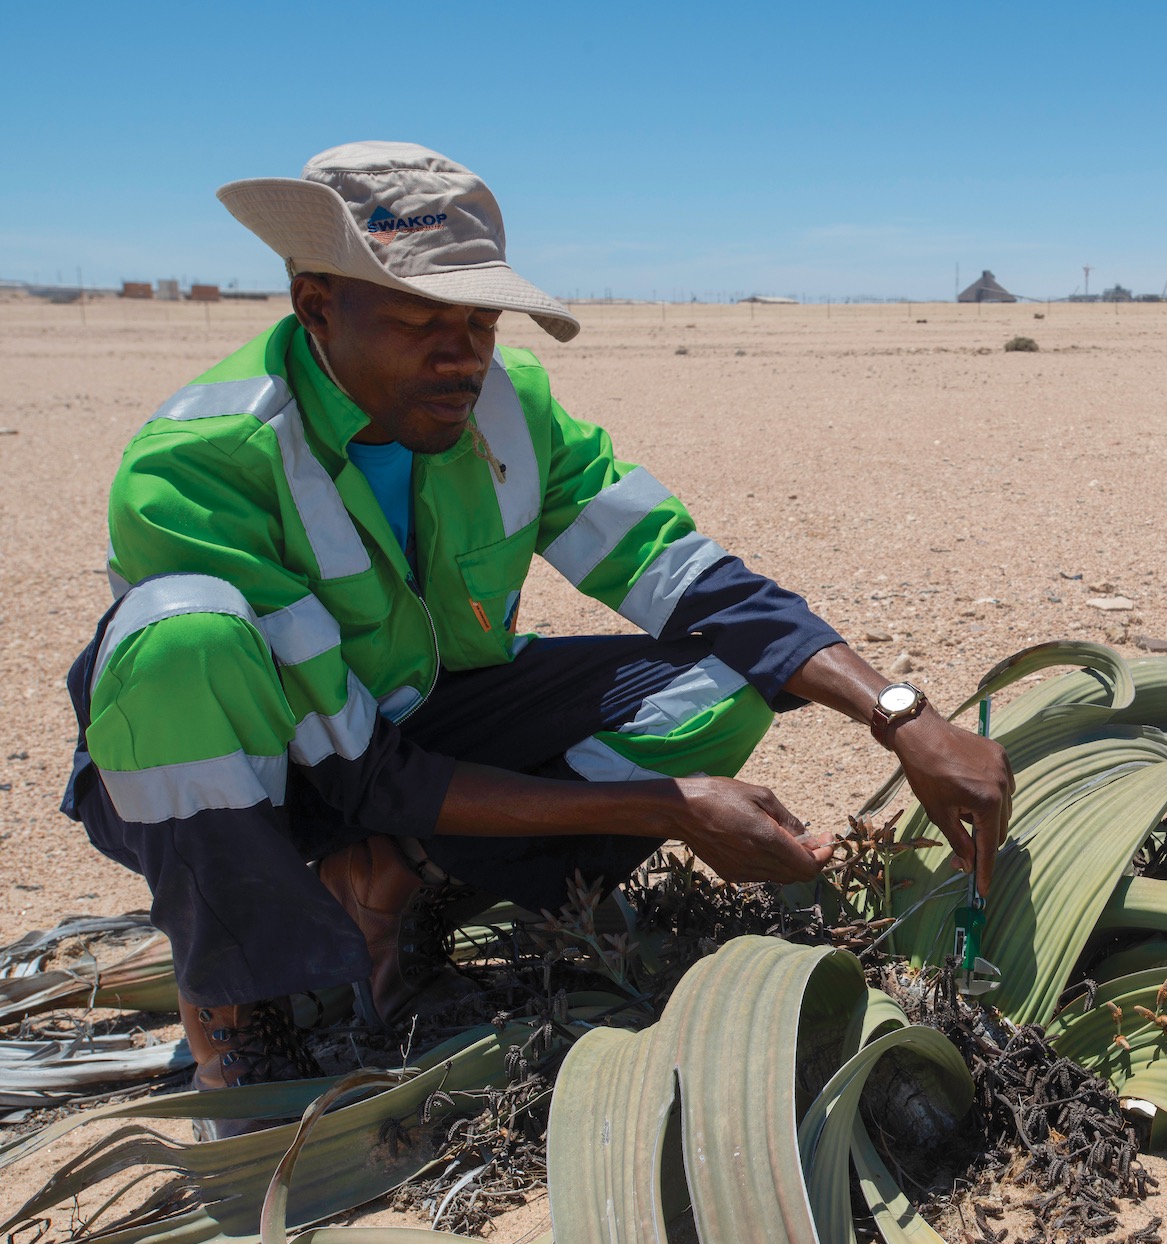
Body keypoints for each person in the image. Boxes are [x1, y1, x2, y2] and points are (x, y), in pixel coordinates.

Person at [61, 142, 1013, 1134]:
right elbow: (354, 771)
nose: (458, 353)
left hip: (425, 719)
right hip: (265, 774)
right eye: (419, 319)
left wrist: (902, 717)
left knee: (728, 680)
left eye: (476, 320)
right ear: (315, 305)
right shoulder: (200, 464)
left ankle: (398, 888)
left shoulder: (507, 406)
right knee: (180, 644)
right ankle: (242, 1014)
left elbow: (684, 576)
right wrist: (671, 806)